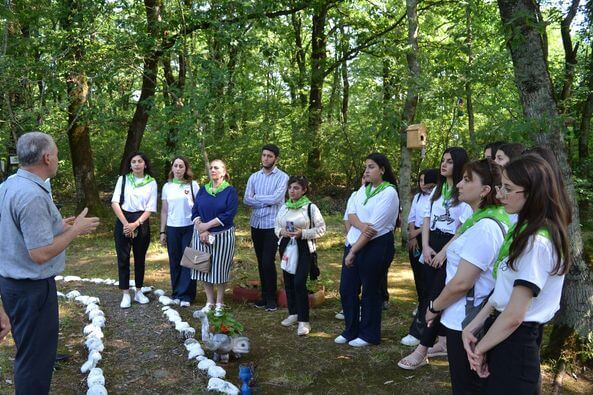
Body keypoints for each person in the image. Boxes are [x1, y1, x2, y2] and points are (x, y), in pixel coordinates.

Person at [462, 154, 571, 394]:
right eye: (501, 186)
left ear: (533, 193)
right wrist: (474, 325)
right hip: (502, 332)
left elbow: (514, 315)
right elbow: (503, 290)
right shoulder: (521, 228)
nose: (499, 194)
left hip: (515, 340)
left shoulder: (536, 242)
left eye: (508, 188)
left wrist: (479, 349)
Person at [0, 131, 99, 394]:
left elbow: (17, 231)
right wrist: (75, 229)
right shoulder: (31, 195)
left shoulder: (10, 185)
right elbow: (40, 253)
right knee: (35, 361)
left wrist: (58, 225)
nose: (57, 159)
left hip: (14, 285)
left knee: (32, 353)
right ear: (46, 158)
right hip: (30, 290)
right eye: (56, 154)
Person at [419, 160, 510, 394]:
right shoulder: (476, 221)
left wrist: (433, 307)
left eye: (467, 180)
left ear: (485, 190)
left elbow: (462, 283)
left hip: (468, 322)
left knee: (467, 387)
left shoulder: (485, 228)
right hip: (462, 318)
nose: (459, 184)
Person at [398, 147, 471, 368]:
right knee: (428, 290)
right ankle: (441, 341)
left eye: (449, 161)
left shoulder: (464, 193)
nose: (444, 164)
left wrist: (443, 252)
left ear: (458, 164)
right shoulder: (437, 191)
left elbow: (461, 228)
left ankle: (423, 348)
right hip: (432, 244)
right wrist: (427, 245)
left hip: (451, 245)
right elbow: (427, 219)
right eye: (443, 160)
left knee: (438, 296)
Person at [335, 153, 399, 347]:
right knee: (347, 289)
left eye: (371, 167)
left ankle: (369, 334)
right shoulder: (363, 189)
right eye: (366, 167)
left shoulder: (389, 193)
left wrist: (354, 251)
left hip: (376, 246)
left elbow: (375, 229)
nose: (366, 171)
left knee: (370, 290)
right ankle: (351, 329)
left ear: (382, 169)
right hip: (355, 242)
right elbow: (351, 214)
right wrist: (361, 228)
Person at [275, 176, 326, 336]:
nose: (292, 191)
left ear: (304, 190)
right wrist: (281, 232)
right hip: (285, 246)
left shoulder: (310, 208)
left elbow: (321, 229)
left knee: (299, 282)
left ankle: (304, 321)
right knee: (288, 281)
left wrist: (302, 233)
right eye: (290, 187)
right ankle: (293, 313)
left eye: (296, 188)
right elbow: (276, 225)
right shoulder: (284, 207)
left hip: (304, 247)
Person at [243, 144, 289, 311]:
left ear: (276, 158)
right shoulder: (254, 177)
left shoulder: (283, 177)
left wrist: (257, 199)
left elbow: (277, 199)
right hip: (256, 224)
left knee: (268, 260)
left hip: (273, 225)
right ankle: (263, 295)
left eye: (269, 156)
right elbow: (246, 200)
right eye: (264, 155)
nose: (266, 158)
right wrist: (265, 201)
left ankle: (271, 298)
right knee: (260, 261)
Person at [191, 159, 238, 315]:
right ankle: (209, 301)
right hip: (201, 234)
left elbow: (229, 213)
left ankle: (219, 302)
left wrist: (207, 225)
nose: (212, 170)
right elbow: (195, 210)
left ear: (224, 172)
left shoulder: (230, 191)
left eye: (216, 168)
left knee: (220, 268)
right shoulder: (203, 190)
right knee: (203, 267)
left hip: (222, 236)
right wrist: (201, 228)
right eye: (211, 167)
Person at [111, 151, 158, 309]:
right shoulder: (123, 180)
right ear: (130, 165)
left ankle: (138, 291)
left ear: (145, 164)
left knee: (140, 259)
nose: (137, 164)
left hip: (141, 221)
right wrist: (126, 224)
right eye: (133, 161)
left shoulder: (151, 183)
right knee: (123, 258)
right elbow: (115, 202)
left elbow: (150, 208)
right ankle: (125, 294)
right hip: (123, 220)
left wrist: (135, 224)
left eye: (139, 161)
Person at [401, 168, 438, 347]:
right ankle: (420, 303)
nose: (423, 185)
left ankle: (424, 317)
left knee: (428, 281)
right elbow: (412, 218)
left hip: (428, 241)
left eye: (427, 181)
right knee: (418, 276)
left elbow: (429, 224)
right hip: (417, 241)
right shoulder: (417, 197)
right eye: (421, 181)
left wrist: (415, 233)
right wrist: (412, 235)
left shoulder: (438, 197)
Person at [160, 156, 200, 307]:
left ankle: (187, 295)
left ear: (186, 168)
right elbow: (164, 210)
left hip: (190, 227)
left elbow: (198, 207)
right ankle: (176, 293)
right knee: (174, 260)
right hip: (172, 227)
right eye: (175, 166)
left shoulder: (192, 185)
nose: (178, 169)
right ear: (172, 168)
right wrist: (162, 232)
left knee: (189, 261)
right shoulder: (167, 187)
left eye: (181, 166)